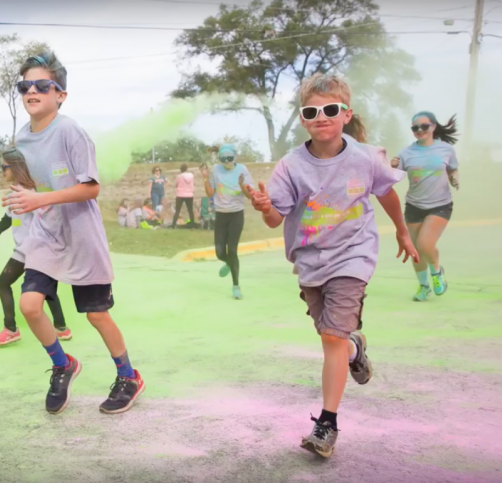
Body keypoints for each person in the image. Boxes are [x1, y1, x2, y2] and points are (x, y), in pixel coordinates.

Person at [245, 73, 418, 458]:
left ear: (345, 113)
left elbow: (386, 193)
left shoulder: (364, 157)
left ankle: (327, 424)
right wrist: (265, 207)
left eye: (330, 109)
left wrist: (403, 232)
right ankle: (356, 349)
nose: (321, 116)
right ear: (303, 118)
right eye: (311, 111)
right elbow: (276, 219)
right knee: (333, 336)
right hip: (310, 261)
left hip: (353, 255)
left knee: (329, 339)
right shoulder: (290, 166)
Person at [3, 51, 144, 415]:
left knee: (96, 315)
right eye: (25, 86)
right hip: (46, 234)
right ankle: (63, 364)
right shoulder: (21, 139)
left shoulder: (70, 131)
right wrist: (22, 196)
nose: (31, 91)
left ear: (59, 94)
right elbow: (32, 185)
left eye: (41, 85)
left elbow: (91, 188)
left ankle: (128, 376)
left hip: (81, 235)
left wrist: (39, 198)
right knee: (29, 306)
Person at [0, 148, 71, 346]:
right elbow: (9, 217)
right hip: (32, 250)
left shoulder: (33, 194)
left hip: (29, 250)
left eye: (4, 167)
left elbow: (49, 221)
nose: (1, 171)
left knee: (2, 284)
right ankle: (62, 328)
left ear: (15, 167)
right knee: (45, 289)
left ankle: (11, 330)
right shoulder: (15, 192)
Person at [390, 112, 460, 302]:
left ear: (433, 127)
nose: (419, 130)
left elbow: (453, 168)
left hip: (440, 205)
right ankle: (423, 286)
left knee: (425, 244)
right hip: (414, 205)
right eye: (415, 128)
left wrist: (454, 177)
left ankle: (437, 273)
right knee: (415, 250)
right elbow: (391, 177)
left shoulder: (446, 149)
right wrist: (391, 166)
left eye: (424, 126)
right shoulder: (406, 153)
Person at [200, 144, 254, 300]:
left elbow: (250, 196)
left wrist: (243, 185)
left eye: (230, 159)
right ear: (220, 159)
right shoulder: (216, 170)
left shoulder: (242, 170)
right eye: (224, 159)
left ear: (234, 156)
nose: (227, 162)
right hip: (221, 215)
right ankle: (230, 264)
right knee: (219, 252)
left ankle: (236, 285)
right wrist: (205, 177)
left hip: (236, 215)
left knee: (232, 250)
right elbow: (210, 193)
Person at [172, 163, 195, 228]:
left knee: (177, 210)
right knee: (190, 210)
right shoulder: (191, 175)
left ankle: (173, 225)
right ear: (187, 169)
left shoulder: (179, 176)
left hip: (180, 194)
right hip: (189, 194)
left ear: (180, 170)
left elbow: (176, 184)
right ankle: (192, 225)